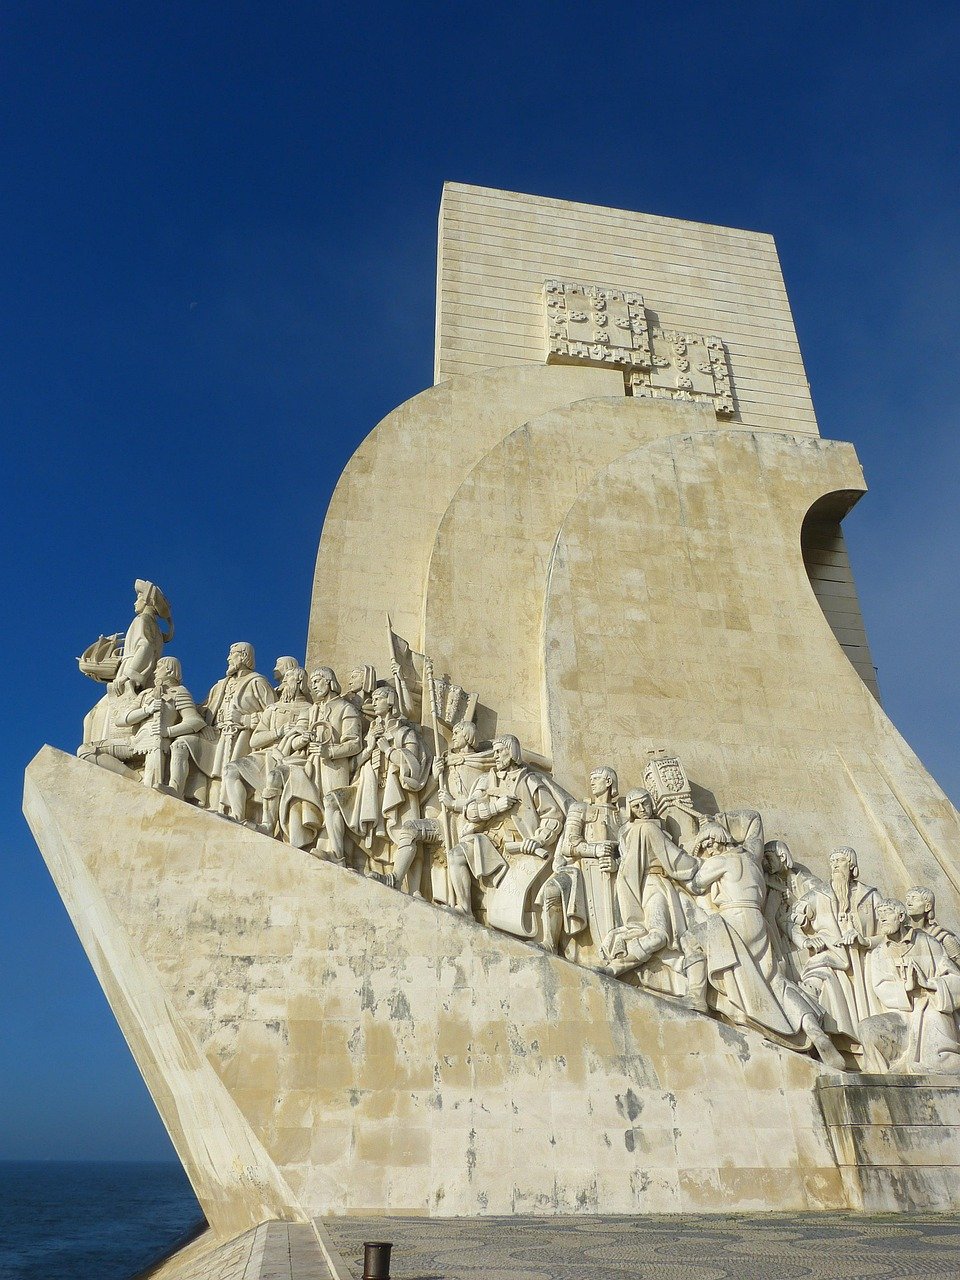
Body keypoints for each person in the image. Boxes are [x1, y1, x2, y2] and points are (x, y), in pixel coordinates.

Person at [667, 821, 846, 1068]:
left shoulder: (721, 861)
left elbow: (695, 884)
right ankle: (816, 1033)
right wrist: (722, 821)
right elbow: (752, 818)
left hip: (734, 918)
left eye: (708, 845)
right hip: (759, 923)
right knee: (775, 981)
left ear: (717, 842)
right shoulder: (752, 857)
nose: (707, 851)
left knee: (691, 940)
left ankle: (696, 997)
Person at [442, 734, 566, 927]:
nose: (496, 756)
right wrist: (495, 807)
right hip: (490, 840)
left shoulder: (530, 781)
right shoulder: (486, 780)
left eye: (500, 751)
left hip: (519, 846)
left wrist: (539, 839)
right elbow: (470, 811)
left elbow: (553, 816)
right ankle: (465, 910)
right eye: (495, 752)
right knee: (456, 854)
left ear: (512, 752)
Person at [602, 789, 700, 996]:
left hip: (657, 885)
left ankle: (692, 979)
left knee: (676, 937)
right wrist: (698, 862)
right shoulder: (647, 828)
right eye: (636, 807)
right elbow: (675, 860)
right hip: (654, 884)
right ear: (630, 811)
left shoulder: (637, 829)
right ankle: (617, 966)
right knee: (660, 935)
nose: (641, 809)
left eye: (644, 804)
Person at [389, 719, 491, 896]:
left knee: (456, 858)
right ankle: (395, 879)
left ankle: (464, 907)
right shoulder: (446, 762)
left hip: (466, 825)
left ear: (468, 736)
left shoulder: (482, 765)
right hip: (442, 822)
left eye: (458, 733)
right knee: (409, 829)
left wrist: (454, 804)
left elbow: (482, 801)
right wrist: (435, 777)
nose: (454, 737)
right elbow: (426, 795)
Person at [860, 898, 960, 1074]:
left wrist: (930, 984)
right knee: (867, 1028)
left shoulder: (928, 942)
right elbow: (881, 987)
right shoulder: (878, 953)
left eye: (887, 913)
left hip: (931, 1008)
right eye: (879, 914)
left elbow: (955, 978)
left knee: (936, 1054)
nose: (882, 918)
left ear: (900, 916)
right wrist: (905, 988)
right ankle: (884, 1083)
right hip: (901, 1016)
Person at [170, 642, 275, 809]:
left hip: (241, 737)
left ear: (243, 656)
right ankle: (175, 789)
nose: (228, 658)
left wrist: (245, 719)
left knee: (229, 774)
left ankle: (230, 811)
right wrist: (174, 696)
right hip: (214, 736)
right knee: (181, 744)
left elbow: (274, 714)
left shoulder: (258, 682)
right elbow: (203, 709)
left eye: (232, 654)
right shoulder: (220, 685)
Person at [794, 846, 882, 1041]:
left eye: (840, 860)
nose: (834, 865)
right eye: (832, 861)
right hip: (833, 956)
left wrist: (865, 941)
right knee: (820, 976)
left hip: (863, 963)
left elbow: (888, 932)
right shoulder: (819, 894)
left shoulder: (870, 895)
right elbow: (792, 919)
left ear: (852, 865)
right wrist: (806, 939)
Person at [80, 656, 205, 793]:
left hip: (157, 742)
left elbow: (195, 721)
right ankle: (136, 779)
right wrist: (147, 710)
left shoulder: (179, 692)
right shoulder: (146, 693)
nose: (155, 671)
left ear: (169, 670)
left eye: (159, 667)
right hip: (135, 742)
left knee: (152, 790)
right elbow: (122, 720)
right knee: (86, 751)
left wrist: (168, 731)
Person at [341, 684, 430, 877]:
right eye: (372, 699)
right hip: (370, 787)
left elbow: (413, 765)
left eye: (378, 698)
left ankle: (412, 888)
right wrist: (369, 747)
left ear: (390, 702)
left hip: (400, 791)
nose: (373, 702)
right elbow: (353, 765)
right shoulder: (371, 734)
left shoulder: (406, 733)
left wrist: (387, 750)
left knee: (405, 835)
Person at [279, 667, 364, 856]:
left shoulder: (345, 708)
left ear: (329, 681)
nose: (313, 685)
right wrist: (303, 739)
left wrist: (330, 751)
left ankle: (336, 853)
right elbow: (294, 740)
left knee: (331, 804)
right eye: (312, 682)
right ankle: (309, 844)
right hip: (312, 764)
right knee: (308, 802)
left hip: (335, 766)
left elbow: (355, 743)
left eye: (317, 681)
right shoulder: (312, 711)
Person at [539, 766, 623, 956]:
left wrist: (616, 863)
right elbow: (569, 845)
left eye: (596, 778)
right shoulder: (580, 809)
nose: (591, 782)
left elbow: (631, 849)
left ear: (608, 782)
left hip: (613, 873)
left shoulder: (623, 815)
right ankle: (550, 943)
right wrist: (595, 849)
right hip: (579, 872)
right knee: (552, 889)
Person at [221, 658, 312, 832]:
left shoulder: (309, 709)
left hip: (292, 757)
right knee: (231, 770)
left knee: (274, 777)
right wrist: (279, 732)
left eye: (288, 680)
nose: (283, 685)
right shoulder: (273, 709)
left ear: (299, 682)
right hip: (267, 754)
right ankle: (237, 817)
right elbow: (255, 740)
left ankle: (268, 825)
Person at [113, 579, 173, 695]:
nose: (135, 603)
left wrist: (127, 675)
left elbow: (145, 647)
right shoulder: (157, 629)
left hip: (132, 669)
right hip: (148, 674)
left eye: (138, 599)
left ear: (146, 601)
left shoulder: (142, 619)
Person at [906, 887, 960, 964]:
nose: (908, 903)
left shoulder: (942, 936)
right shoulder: (903, 936)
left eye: (915, 899)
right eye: (907, 899)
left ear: (927, 906)